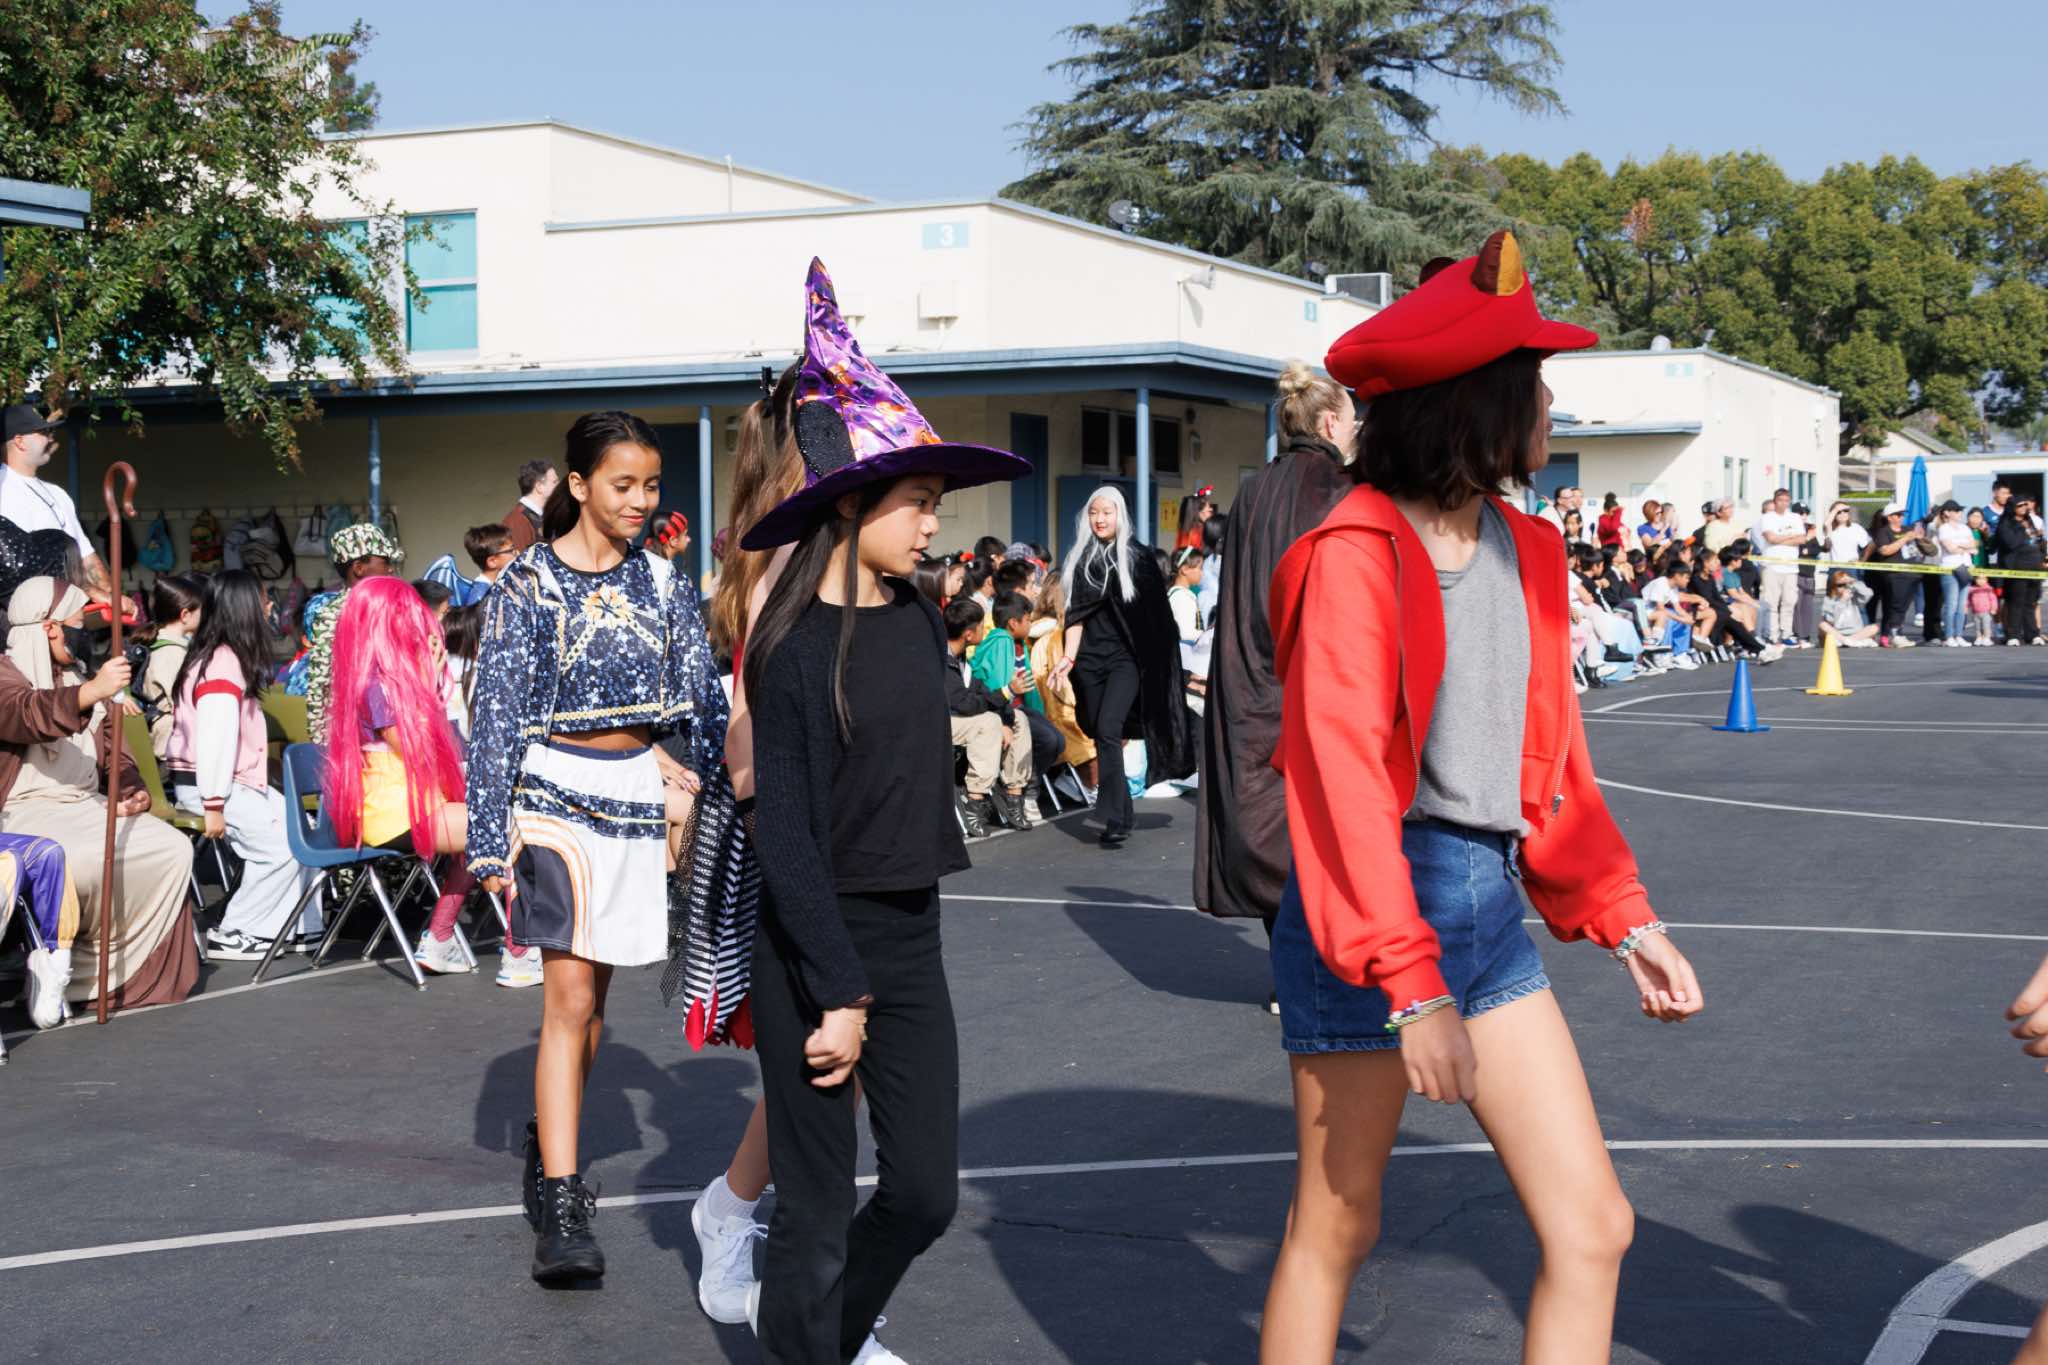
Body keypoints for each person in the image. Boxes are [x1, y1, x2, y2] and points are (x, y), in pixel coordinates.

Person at [1262, 231, 1703, 1365]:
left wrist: (1624, 917)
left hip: (1484, 903)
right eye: (1534, 379)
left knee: (1593, 1227)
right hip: (1375, 909)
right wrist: (1410, 985)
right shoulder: (1350, 553)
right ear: (1476, 400)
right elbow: (1339, 789)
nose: (1551, 401)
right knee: (1336, 1225)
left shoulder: (1530, 549)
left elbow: (1551, 763)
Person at [734, 257, 1027, 1364]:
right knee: (814, 1218)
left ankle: (811, 1340)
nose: (932, 523)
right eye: (917, 501)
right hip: (814, 946)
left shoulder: (914, 618)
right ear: (851, 501)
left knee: (923, 1195)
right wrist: (839, 991)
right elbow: (785, 834)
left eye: (937, 503)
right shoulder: (791, 646)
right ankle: (805, 1340)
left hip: (910, 935)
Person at [466, 410, 728, 1284]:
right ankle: (565, 1204)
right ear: (578, 485)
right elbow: (495, 711)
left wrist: (701, 777)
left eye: (651, 484)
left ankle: (549, 1138)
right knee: (569, 996)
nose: (641, 500)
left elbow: (702, 698)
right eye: (623, 484)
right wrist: (488, 839)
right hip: (552, 793)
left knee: (594, 1002)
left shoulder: (662, 579)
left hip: (635, 796)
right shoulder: (526, 582)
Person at [1198, 360, 1354, 944]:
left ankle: (1288, 964)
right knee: (1324, 827)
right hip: (1316, 680)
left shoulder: (1254, 489)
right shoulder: (1340, 489)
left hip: (1249, 676)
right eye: (1353, 422)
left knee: (1263, 820)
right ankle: (1316, 965)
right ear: (1331, 422)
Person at [0, 576, 198, 1010]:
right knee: (79, 858)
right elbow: (23, 713)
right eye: (77, 624)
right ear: (49, 627)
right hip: (24, 813)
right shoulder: (5, 673)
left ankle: (130, 975)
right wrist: (91, 692)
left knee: (172, 848)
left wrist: (130, 788)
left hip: (87, 802)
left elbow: (116, 754)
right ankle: (55, 966)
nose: (84, 635)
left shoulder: (83, 676)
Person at [323, 576, 478, 978]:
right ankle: (515, 948)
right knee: (500, 828)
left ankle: (442, 936)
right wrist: (428, 683)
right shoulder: (376, 687)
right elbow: (418, 750)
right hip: (394, 815)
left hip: (413, 808)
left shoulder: (390, 684)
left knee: (496, 829)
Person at [163, 571, 319, 960]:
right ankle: (237, 930)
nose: (270, 606)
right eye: (264, 600)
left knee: (305, 832)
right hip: (212, 785)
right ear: (244, 608)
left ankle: (297, 926)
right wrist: (214, 803)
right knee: (280, 846)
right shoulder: (221, 662)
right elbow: (215, 739)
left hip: (230, 783)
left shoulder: (224, 656)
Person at [1050, 486, 1193, 848]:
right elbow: (1076, 618)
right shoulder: (1082, 559)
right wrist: (1067, 659)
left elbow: (1157, 620)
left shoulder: (1137, 557)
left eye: (1107, 512)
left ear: (1120, 516)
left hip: (1125, 661)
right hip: (1089, 663)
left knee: (1109, 728)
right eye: (1093, 512)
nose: (1099, 519)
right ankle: (1123, 813)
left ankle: (1109, 814)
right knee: (1100, 731)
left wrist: (1162, 666)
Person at [302, 523, 403, 742]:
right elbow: (321, 683)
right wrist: (323, 743)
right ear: (358, 568)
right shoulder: (334, 615)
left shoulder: (395, 608)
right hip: (356, 736)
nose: (390, 569)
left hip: (397, 725)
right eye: (385, 562)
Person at [943, 596, 1034, 837]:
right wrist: (1007, 692)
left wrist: (1006, 719)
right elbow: (965, 704)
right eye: (982, 625)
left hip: (963, 718)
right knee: (989, 722)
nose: (986, 629)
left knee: (1017, 718)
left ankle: (1014, 795)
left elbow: (982, 692)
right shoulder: (940, 661)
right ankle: (974, 800)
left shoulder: (962, 659)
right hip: (938, 722)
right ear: (968, 634)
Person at [0, 406, 110, 598]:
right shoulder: (4, 489)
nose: (51, 438)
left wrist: (111, 593)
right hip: (30, 611)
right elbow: (24, 568)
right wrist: (91, 591)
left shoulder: (57, 493)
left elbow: (86, 555)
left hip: (72, 607)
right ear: (20, 441)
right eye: (43, 433)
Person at [139, 574, 205, 761]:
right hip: (175, 748)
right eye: (201, 610)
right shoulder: (171, 653)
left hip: (176, 743)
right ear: (185, 615)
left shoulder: (166, 646)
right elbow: (183, 703)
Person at [1865, 502, 1925, 647]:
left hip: (1912, 573)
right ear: (1889, 517)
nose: (1901, 517)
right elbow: (1885, 550)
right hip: (1894, 574)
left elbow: (1921, 549)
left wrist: (1921, 539)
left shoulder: (1907, 529)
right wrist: (1904, 539)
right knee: (1895, 605)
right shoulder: (1883, 532)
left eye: (1902, 515)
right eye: (1898, 515)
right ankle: (1894, 634)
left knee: (1903, 606)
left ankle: (1893, 633)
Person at [1753, 488, 1804, 645]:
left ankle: (1786, 633)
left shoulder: (1795, 517)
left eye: (1786, 500)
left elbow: (1801, 539)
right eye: (1780, 500)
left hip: (1791, 566)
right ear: (1775, 501)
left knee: (1790, 601)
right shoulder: (1767, 518)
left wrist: (1780, 538)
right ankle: (1772, 633)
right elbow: (1771, 538)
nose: (1783, 503)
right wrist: (1790, 536)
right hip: (1772, 565)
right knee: (1771, 602)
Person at [1995, 495, 2046, 645]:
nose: (2024, 507)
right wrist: (2023, 531)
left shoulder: (2029, 521)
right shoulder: (2006, 523)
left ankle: (2032, 634)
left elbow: (2037, 541)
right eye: (2020, 505)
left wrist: (2042, 551)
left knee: (2031, 602)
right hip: (2017, 567)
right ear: (2013, 507)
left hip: (2034, 566)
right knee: (2015, 602)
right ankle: (2013, 635)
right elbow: (2010, 543)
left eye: (2025, 505)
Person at [1930, 501, 1977, 647]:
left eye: (1959, 510)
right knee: (1951, 604)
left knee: (1962, 606)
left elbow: (1974, 546)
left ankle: (1959, 635)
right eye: (1956, 511)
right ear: (1947, 513)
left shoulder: (1965, 528)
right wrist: (1965, 547)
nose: (1959, 513)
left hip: (1965, 567)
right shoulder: (1944, 528)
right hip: (1950, 568)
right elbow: (1950, 549)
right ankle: (1949, 635)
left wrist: (1960, 546)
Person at [502, 458, 557, 555]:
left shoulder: (544, 515)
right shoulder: (518, 520)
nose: (559, 485)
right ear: (539, 487)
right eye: (555, 482)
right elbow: (522, 561)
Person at [1818, 571, 1880, 647]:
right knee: (1822, 625)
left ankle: (1846, 641)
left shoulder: (1853, 597)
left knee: (1874, 627)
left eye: (1846, 585)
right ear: (1834, 586)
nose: (1844, 587)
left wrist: (1854, 582)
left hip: (1854, 632)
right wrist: (1842, 601)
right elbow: (1830, 620)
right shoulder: (1828, 600)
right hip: (1836, 632)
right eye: (1840, 585)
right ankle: (1851, 641)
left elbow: (1869, 594)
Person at [1165, 545, 1204, 641]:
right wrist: (1206, 635)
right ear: (1185, 569)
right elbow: (1185, 634)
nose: (1202, 573)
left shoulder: (1182, 595)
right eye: (1199, 568)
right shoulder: (1181, 598)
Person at [1176, 486, 1216, 551]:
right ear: (1198, 512)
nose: (1211, 509)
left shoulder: (1185, 531)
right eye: (1209, 509)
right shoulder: (1196, 533)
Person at [1967, 574, 2000, 645]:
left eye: (1983, 579)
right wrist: (1966, 606)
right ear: (1975, 580)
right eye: (1978, 579)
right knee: (1977, 627)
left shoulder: (1988, 589)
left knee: (1986, 626)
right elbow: (1969, 600)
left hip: (1986, 612)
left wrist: (1993, 608)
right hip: (1976, 612)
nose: (1980, 581)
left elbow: (1993, 600)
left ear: (1986, 580)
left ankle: (1987, 638)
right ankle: (1979, 637)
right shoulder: (1972, 590)